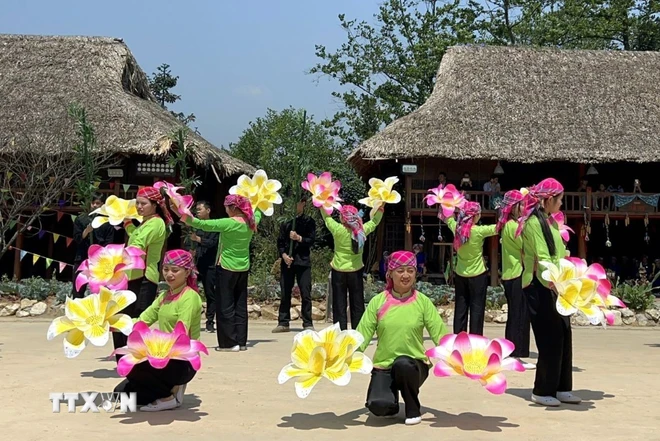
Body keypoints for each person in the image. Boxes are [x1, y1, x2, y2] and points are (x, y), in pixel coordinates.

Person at [356, 251, 449, 426]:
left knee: (403, 364)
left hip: (414, 365)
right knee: (378, 406)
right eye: (400, 271)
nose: (405, 275)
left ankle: (412, 408)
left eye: (410, 271)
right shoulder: (378, 301)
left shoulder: (423, 302)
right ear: (390, 273)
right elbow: (362, 335)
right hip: (384, 365)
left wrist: (457, 357)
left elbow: (440, 334)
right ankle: (391, 403)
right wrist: (344, 355)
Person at [113, 249, 202, 412]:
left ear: (187, 272)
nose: (169, 274)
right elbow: (142, 320)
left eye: (175, 270)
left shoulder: (190, 297)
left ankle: (170, 396)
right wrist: (116, 324)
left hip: (181, 360)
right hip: (162, 354)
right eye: (166, 269)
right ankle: (171, 389)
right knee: (121, 395)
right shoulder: (164, 296)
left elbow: (181, 333)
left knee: (127, 356)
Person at [520, 177, 580, 407]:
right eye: (559, 199)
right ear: (548, 200)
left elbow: (559, 253)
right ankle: (542, 389)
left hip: (557, 283)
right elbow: (542, 257)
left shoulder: (551, 222)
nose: (561, 203)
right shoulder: (534, 223)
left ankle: (562, 387)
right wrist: (555, 280)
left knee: (564, 333)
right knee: (549, 337)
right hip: (540, 284)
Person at [181, 194, 262, 352]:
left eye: (226, 207)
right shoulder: (252, 222)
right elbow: (258, 211)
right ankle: (241, 341)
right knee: (240, 305)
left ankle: (228, 343)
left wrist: (182, 213)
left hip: (226, 267)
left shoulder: (228, 223)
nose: (225, 210)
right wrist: (258, 199)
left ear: (233, 208)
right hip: (243, 268)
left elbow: (201, 224)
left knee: (225, 305)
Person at [113, 186, 169, 360]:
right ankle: (124, 358)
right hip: (132, 276)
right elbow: (135, 236)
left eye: (143, 203)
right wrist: (128, 223)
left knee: (135, 321)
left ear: (155, 205)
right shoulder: (146, 222)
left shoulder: (156, 223)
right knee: (121, 319)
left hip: (144, 278)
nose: (139, 207)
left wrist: (112, 259)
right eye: (137, 203)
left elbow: (137, 245)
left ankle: (133, 359)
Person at [320, 205, 384, 330]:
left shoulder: (337, 229)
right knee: (357, 302)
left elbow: (327, 218)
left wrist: (322, 204)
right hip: (356, 270)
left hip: (339, 270)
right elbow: (374, 222)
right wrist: (381, 208)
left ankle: (340, 331)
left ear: (342, 218)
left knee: (339, 303)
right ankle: (358, 331)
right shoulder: (362, 230)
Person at [496, 190, 535, 370]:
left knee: (515, 316)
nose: (524, 207)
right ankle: (516, 354)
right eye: (521, 204)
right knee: (519, 316)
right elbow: (527, 247)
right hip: (518, 274)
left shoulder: (508, 225)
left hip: (510, 275)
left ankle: (512, 353)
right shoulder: (514, 226)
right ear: (513, 207)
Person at [445, 201, 497, 335]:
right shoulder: (479, 231)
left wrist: (448, 203)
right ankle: (475, 338)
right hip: (478, 274)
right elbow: (497, 228)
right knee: (477, 309)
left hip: (460, 274)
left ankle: (458, 337)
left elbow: (448, 218)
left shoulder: (456, 228)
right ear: (475, 216)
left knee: (460, 308)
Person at [273, 196, 316, 333]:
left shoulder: (309, 221)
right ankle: (283, 322)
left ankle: (307, 322)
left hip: (303, 261)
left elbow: (311, 240)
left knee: (305, 292)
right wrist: (284, 255)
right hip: (288, 262)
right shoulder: (286, 222)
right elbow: (280, 242)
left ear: (303, 203)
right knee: (285, 291)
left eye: (297, 202)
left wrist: (299, 238)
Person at [71, 193, 115, 298]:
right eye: (93, 203)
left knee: (100, 289)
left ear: (103, 204)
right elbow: (77, 238)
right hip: (82, 257)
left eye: (97, 203)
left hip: (100, 259)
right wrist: (86, 231)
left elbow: (109, 242)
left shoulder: (108, 222)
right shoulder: (81, 219)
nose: (94, 205)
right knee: (78, 288)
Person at [189, 201, 219, 333]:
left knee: (210, 293)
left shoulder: (215, 226)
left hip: (210, 265)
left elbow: (213, 243)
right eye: (196, 210)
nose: (197, 212)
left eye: (200, 209)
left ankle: (210, 321)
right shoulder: (196, 227)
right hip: (197, 264)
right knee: (190, 292)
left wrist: (199, 240)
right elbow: (191, 243)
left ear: (208, 210)